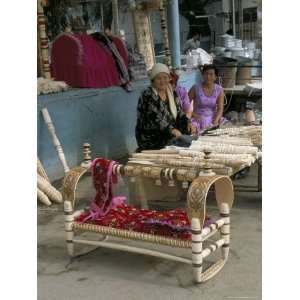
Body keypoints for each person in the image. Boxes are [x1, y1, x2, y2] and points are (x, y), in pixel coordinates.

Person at [135, 63, 194, 151]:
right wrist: (172, 130)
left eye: (165, 77)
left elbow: (179, 111)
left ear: (169, 78)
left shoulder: (171, 91)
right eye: (159, 78)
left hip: (167, 132)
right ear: (153, 80)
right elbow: (155, 118)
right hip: (151, 136)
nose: (162, 81)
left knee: (187, 132)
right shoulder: (147, 94)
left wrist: (188, 122)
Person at [188, 64, 227, 134]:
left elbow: (220, 108)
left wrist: (216, 120)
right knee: (193, 132)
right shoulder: (195, 88)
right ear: (202, 75)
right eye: (206, 74)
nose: (208, 77)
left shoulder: (219, 89)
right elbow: (185, 106)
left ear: (215, 77)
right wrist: (194, 114)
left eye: (211, 74)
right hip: (198, 118)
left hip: (213, 117)